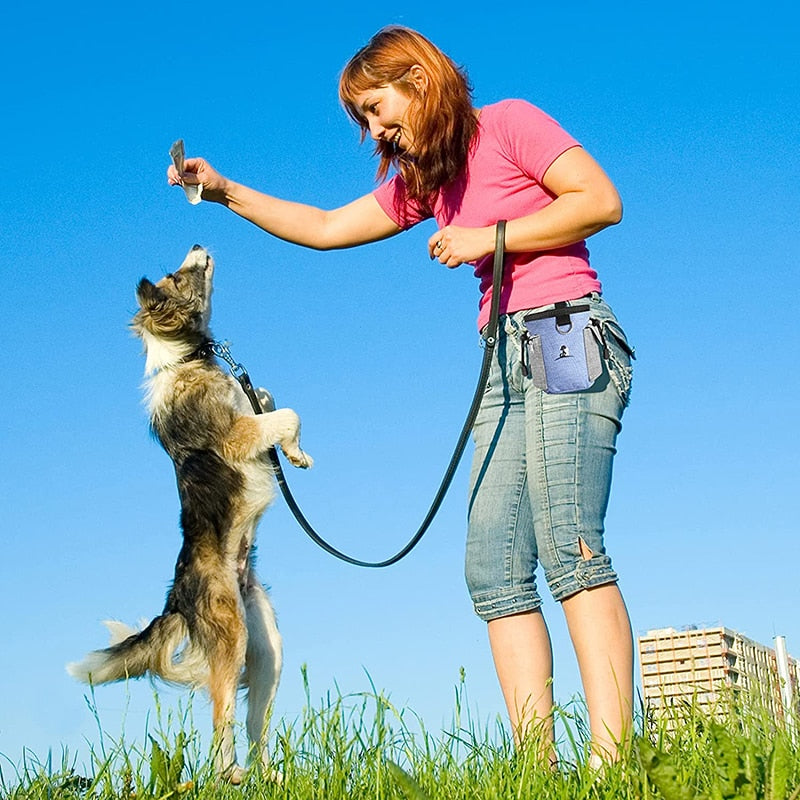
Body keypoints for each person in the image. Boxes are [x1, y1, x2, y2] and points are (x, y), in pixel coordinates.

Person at [167, 25, 635, 767]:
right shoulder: (426, 182)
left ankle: (614, 767)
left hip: (564, 334)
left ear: (419, 80)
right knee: (494, 567)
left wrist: (490, 237)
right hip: (504, 357)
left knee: (570, 548)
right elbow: (325, 227)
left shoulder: (509, 124)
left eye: (377, 106)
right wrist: (224, 191)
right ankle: (538, 773)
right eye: (363, 117)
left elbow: (599, 200)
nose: (374, 128)